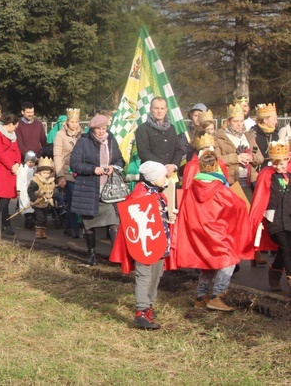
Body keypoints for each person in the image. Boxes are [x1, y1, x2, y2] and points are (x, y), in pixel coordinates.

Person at [177, 150, 255, 312]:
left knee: (207, 263)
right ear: (215, 167)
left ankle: (201, 297)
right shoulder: (220, 189)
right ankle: (217, 296)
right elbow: (239, 206)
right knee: (229, 261)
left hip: (198, 232)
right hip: (217, 232)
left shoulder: (191, 189)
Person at [110, 161, 176, 330]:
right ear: (153, 178)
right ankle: (141, 311)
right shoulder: (140, 196)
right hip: (145, 242)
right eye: (162, 176)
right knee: (144, 276)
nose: (165, 177)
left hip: (159, 241)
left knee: (156, 274)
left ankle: (149, 305)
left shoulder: (157, 193)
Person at [70, 114, 125, 265]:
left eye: (103, 128)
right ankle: (92, 253)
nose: (101, 132)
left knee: (114, 224)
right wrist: (93, 169)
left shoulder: (112, 141)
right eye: (97, 129)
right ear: (92, 129)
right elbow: (74, 164)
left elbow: (120, 160)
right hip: (88, 189)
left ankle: (116, 256)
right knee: (89, 225)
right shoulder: (83, 141)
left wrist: (113, 167)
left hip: (109, 191)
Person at [249, 141, 291, 292]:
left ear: (288, 159)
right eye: (275, 163)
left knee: (286, 247)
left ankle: (274, 272)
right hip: (275, 220)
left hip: (289, 217)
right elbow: (260, 198)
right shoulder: (267, 174)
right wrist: (259, 217)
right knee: (286, 246)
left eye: (282, 163)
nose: (278, 167)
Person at [213, 103, 263, 199]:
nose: (239, 124)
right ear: (228, 121)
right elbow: (216, 160)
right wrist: (237, 158)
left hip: (250, 181)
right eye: (236, 121)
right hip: (231, 182)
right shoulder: (219, 138)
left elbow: (260, 158)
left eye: (241, 121)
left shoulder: (249, 136)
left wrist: (251, 157)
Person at [134, 97, 185, 180]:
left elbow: (178, 149)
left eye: (162, 108)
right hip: (152, 176)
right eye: (156, 108)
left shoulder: (171, 128)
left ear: (166, 110)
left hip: (171, 174)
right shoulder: (142, 129)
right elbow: (143, 152)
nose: (159, 111)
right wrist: (163, 167)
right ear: (150, 109)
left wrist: (173, 166)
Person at [0, 113, 22, 236]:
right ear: (10, 124)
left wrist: (17, 163)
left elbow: (17, 151)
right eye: (16, 126)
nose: (16, 128)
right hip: (0, 170)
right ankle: (6, 223)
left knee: (7, 198)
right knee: (3, 199)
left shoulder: (12, 136)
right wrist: (11, 165)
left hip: (11, 170)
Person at [54, 108, 83, 238]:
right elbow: (57, 155)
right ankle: (74, 229)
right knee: (72, 200)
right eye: (72, 121)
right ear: (67, 121)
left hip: (80, 172)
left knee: (76, 201)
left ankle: (67, 226)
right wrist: (60, 175)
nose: (74, 124)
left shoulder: (82, 134)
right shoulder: (60, 135)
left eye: (76, 121)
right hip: (67, 172)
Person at [27, 157, 56, 239]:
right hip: (38, 202)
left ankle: (43, 231)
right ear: (39, 172)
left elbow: (53, 189)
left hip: (46, 202)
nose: (46, 175)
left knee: (45, 217)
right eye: (44, 173)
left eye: (48, 173)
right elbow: (30, 190)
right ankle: (38, 231)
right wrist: (34, 199)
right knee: (40, 217)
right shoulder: (36, 180)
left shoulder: (51, 181)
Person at [251, 103, 280, 169]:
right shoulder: (253, 134)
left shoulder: (275, 135)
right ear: (265, 120)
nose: (276, 122)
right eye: (274, 119)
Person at [16, 151, 37, 230]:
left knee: (32, 203)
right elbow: (19, 180)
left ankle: (32, 218)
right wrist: (18, 189)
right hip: (24, 189)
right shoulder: (22, 170)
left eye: (32, 162)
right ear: (26, 161)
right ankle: (28, 219)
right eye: (29, 162)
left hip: (32, 190)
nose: (31, 164)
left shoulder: (34, 170)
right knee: (25, 204)